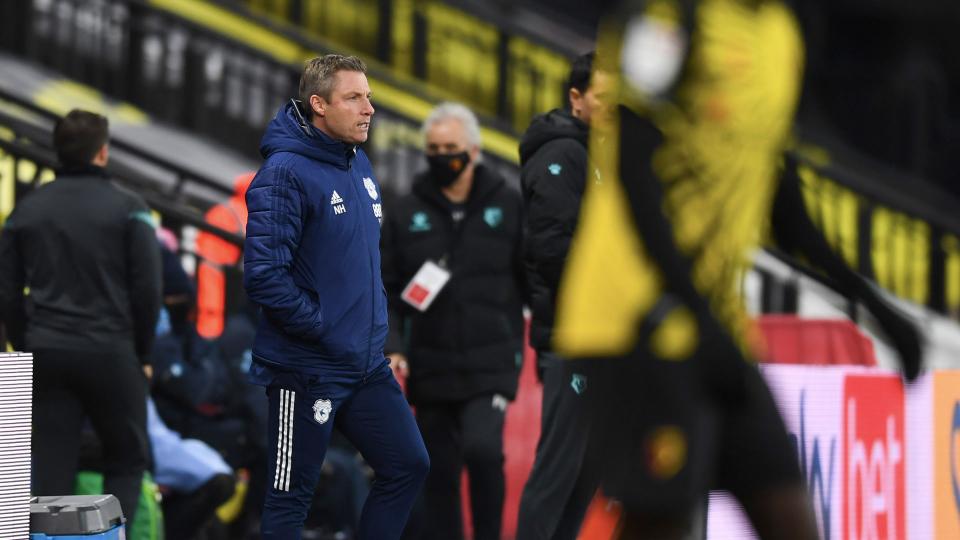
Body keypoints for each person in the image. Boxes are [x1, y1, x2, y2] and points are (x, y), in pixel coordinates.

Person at [552, 1, 922, 539]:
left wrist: (873, 305)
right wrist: (696, 313)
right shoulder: (670, 16)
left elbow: (778, 192)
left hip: (712, 327)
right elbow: (633, 170)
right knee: (663, 522)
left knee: (788, 516)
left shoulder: (781, 34)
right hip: (633, 320)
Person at [243, 54, 429, 540]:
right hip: (307, 367)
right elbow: (264, 275)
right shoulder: (284, 173)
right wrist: (321, 325)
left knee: (408, 464)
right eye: (354, 98)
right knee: (289, 500)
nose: (369, 109)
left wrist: (370, 331)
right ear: (319, 104)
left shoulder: (357, 161)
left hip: (365, 364)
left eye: (368, 97)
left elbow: (361, 263)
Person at [0, 109, 161, 526]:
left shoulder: (26, 210)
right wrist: (144, 353)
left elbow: (7, 291)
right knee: (126, 459)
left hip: (46, 350)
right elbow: (148, 290)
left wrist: (26, 343)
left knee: (50, 468)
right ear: (102, 152)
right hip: (111, 350)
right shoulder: (130, 208)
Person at [381, 102, 526, 540]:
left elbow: (533, 278)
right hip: (431, 364)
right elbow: (387, 288)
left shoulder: (509, 204)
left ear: (474, 151)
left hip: (491, 361)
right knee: (440, 471)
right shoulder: (404, 211)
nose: (443, 156)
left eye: (451, 148)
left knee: (483, 452)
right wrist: (393, 345)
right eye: (434, 149)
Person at [515, 51, 613, 540]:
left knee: (585, 471)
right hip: (573, 336)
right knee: (559, 470)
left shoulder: (601, 157)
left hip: (600, 337)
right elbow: (551, 248)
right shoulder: (562, 155)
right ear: (577, 98)